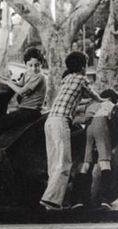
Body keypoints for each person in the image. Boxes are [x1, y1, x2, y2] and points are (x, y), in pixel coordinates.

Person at [40, 51, 105, 211]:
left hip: (49, 121)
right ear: (83, 67)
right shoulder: (82, 79)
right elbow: (92, 93)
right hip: (62, 121)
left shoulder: (66, 79)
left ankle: (53, 199)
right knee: (64, 163)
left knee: (54, 162)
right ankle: (50, 200)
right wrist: (101, 100)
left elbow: (74, 97)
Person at [73, 89, 118, 210]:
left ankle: (79, 200)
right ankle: (105, 200)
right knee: (105, 162)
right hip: (102, 125)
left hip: (89, 127)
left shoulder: (91, 104)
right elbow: (114, 125)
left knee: (85, 163)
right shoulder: (110, 105)